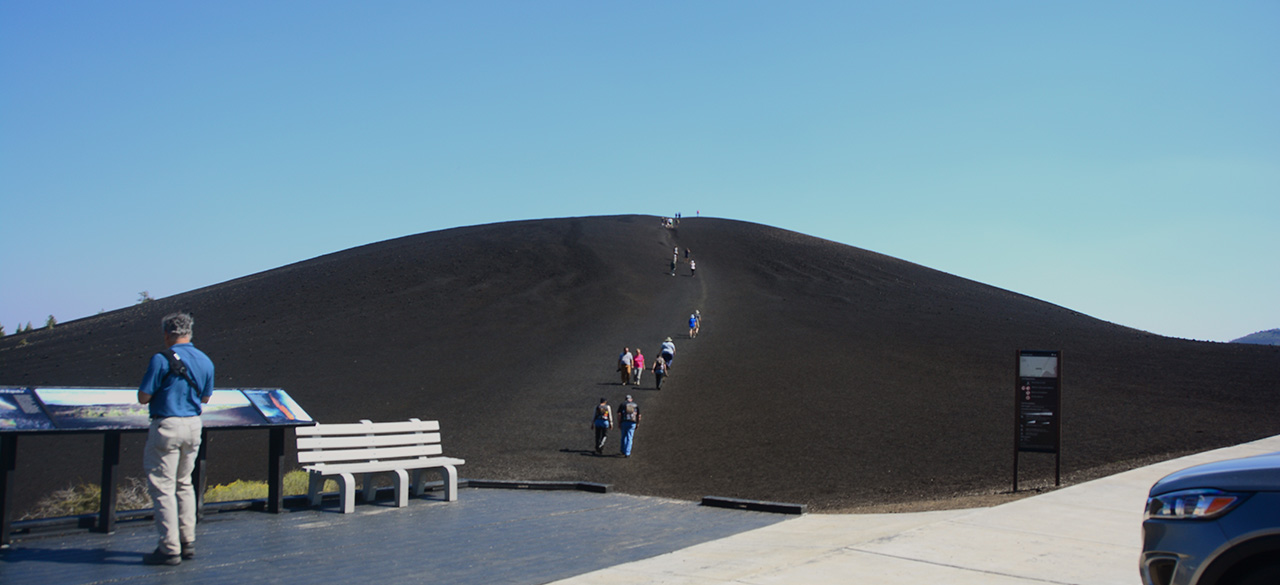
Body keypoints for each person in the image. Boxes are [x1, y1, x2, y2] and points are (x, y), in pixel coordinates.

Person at [137, 312, 214, 566]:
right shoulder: (205, 361)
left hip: (167, 424)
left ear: (167, 334)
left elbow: (144, 396)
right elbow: (204, 398)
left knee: (163, 488)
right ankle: (187, 540)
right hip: (193, 426)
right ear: (190, 333)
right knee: (184, 483)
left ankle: (169, 548)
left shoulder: (161, 359)